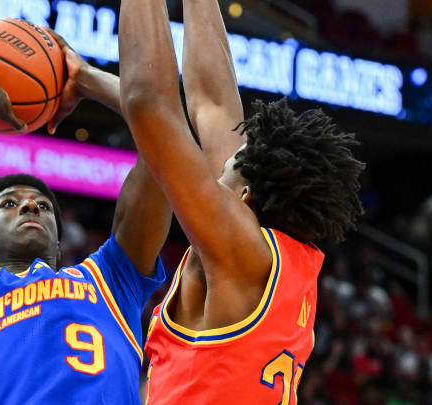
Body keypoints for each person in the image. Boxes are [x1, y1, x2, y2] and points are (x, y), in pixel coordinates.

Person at [117, 0, 365, 403]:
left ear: (244, 196)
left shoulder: (245, 253)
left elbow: (148, 102)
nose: (220, 161)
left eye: (231, 162)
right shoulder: (278, 255)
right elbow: (213, 104)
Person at [0, 28, 172, 404]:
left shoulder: (112, 282)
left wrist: (84, 77)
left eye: (43, 205)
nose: (31, 206)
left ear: (58, 239)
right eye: (9, 203)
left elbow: (163, 132)